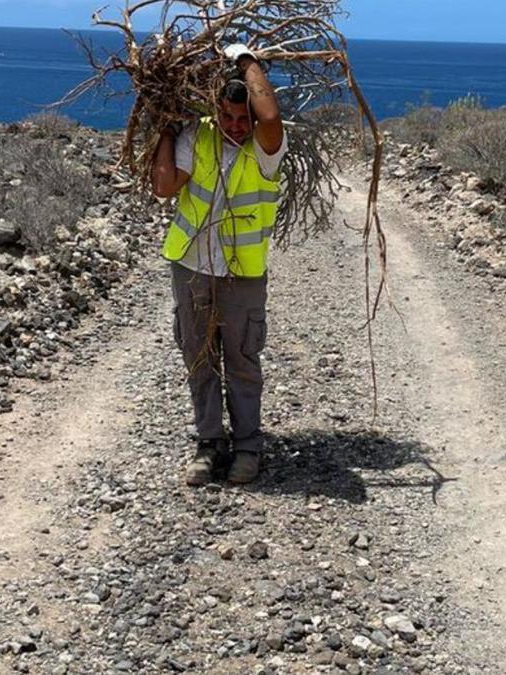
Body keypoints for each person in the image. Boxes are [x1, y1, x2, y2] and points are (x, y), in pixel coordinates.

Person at [151, 43, 287, 486]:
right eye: (227, 117)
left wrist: (247, 61)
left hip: (242, 274)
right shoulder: (200, 135)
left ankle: (248, 446)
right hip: (192, 266)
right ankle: (209, 444)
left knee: (243, 360)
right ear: (216, 111)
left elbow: (269, 118)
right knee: (199, 357)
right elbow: (165, 187)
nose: (234, 126)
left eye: (240, 119)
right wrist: (168, 132)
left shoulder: (266, 149)